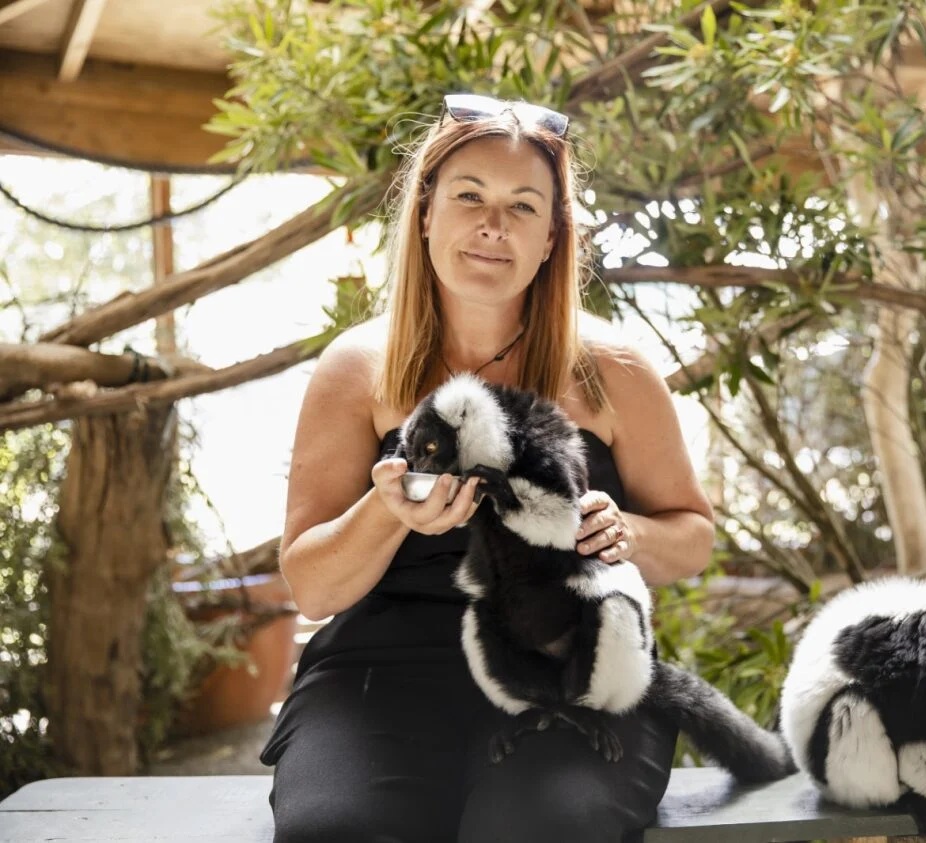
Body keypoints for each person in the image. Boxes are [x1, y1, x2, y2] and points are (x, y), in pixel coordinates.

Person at [260, 93, 716, 843]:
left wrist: (624, 530)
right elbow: (311, 582)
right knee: (335, 831)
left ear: (551, 239)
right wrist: (386, 514)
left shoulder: (617, 371)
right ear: (426, 213)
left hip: (574, 677)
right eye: (469, 196)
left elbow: (692, 534)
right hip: (380, 677)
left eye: (523, 206)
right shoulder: (355, 369)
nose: (492, 226)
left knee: (535, 828)